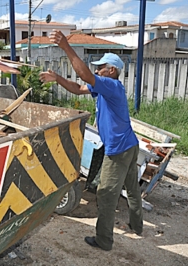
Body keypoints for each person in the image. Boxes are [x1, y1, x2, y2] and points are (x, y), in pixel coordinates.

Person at [39, 30, 143, 251]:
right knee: (132, 188)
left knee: (105, 194)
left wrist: (66, 47)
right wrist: (57, 78)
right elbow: (78, 88)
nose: (96, 70)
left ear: (111, 70)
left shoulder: (111, 85)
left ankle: (104, 240)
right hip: (130, 145)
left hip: (118, 150)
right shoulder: (106, 88)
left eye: (100, 67)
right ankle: (137, 226)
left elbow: (85, 77)